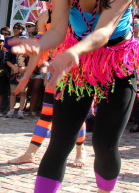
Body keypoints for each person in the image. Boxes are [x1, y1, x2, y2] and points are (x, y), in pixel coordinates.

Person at [10, 0, 139, 193]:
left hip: (118, 65)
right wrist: (39, 45)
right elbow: (57, 30)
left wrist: (72, 53)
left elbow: (104, 31)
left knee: (105, 145)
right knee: (60, 141)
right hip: (79, 66)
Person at [8, 10, 87, 167]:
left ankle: (80, 151)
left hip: (78, 71)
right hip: (55, 71)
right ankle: (30, 153)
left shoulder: (79, 12)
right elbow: (39, 50)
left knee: (76, 115)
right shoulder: (45, 16)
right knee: (46, 115)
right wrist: (27, 75)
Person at [5, 35, 29, 119]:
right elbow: (7, 61)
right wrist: (13, 67)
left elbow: (33, 63)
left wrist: (25, 68)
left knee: (23, 92)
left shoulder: (29, 52)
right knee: (13, 92)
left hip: (24, 74)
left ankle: (20, 111)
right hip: (14, 73)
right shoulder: (13, 50)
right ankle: (11, 110)